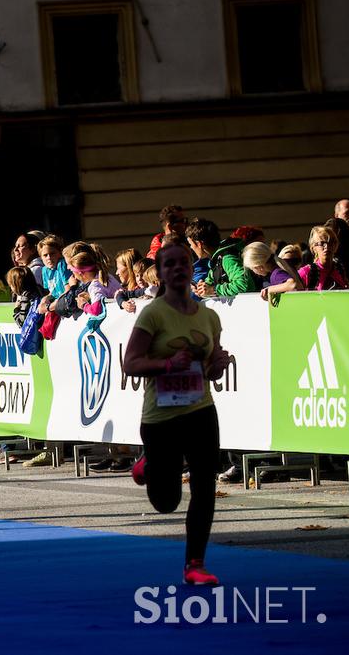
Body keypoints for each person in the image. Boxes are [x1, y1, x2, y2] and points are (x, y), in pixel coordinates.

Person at [122, 242, 233, 585]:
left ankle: (195, 564)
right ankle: (150, 465)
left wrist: (218, 364)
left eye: (183, 262)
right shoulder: (153, 314)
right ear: (162, 271)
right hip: (162, 417)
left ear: (190, 266)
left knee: (204, 486)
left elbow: (211, 371)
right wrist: (167, 364)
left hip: (201, 409)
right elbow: (131, 363)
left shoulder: (209, 316)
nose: (178, 269)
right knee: (166, 502)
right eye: (169, 264)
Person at [194, 227, 256, 299]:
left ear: (199, 244)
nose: (191, 247)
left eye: (191, 244)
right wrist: (202, 289)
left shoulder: (227, 259)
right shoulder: (216, 261)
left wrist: (214, 290)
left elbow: (242, 285)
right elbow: (210, 283)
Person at [297, 226, 349, 290]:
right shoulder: (306, 272)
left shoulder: (340, 269)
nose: (327, 247)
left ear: (336, 246)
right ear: (313, 248)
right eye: (321, 243)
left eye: (330, 242)